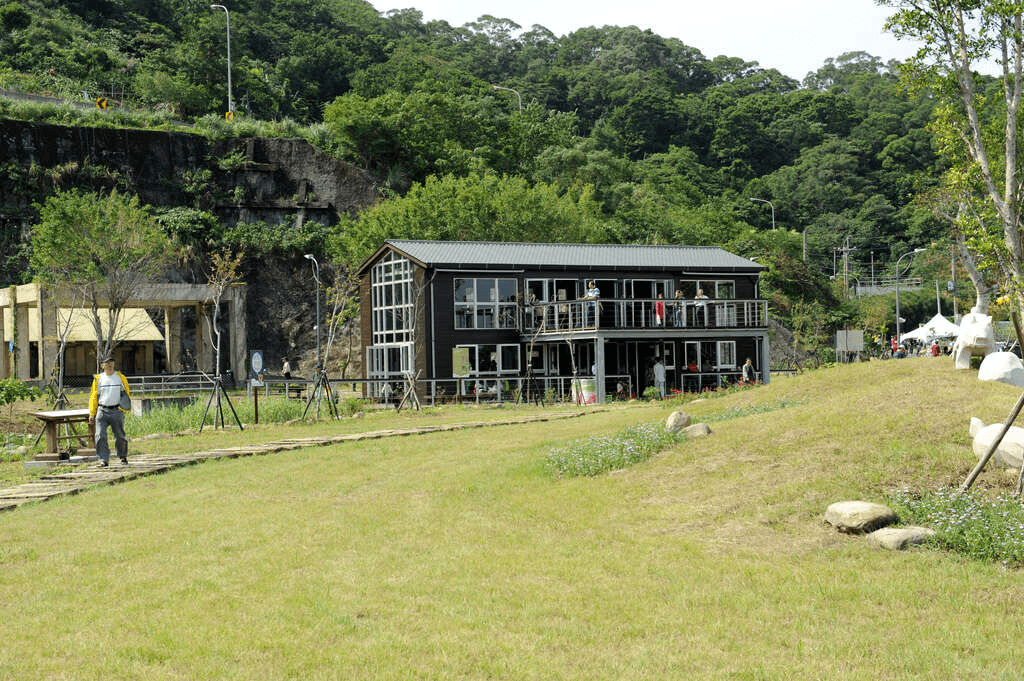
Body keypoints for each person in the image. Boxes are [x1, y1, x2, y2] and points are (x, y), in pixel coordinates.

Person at [88, 355, 131, 467]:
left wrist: (125, 408)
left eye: (111, 363)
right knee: (100, 435)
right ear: (102, 366)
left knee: (120, 436)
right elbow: (93, 396)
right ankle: (103, 459)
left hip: (116, 410)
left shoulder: (120, 377)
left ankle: (123, 457)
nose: (109, 366)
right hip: (102, 410)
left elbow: (126, 393)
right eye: (107, 364)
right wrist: (92, 413)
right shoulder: (98, 379)